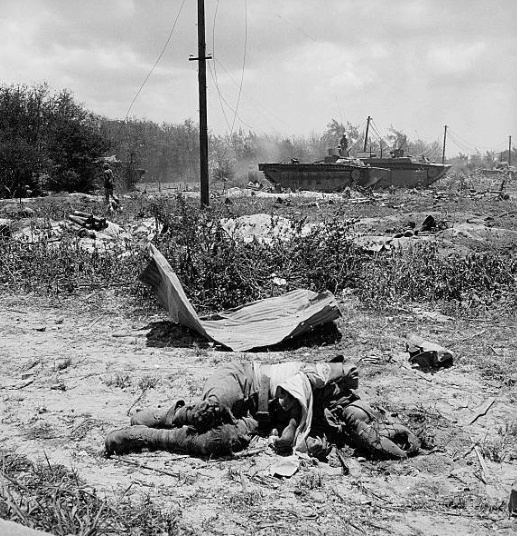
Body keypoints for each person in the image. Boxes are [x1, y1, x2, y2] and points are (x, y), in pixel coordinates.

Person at [105, 359, 419, 460]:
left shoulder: (328, 419)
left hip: (256, 419)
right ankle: (168, 415)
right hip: (246, 379)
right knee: (209, 411)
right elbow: (342, 370)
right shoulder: (321, 377)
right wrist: (339, 373)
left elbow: (292, 433)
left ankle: (142, 435)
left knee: (213, 443)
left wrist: (306, 445)